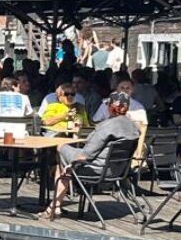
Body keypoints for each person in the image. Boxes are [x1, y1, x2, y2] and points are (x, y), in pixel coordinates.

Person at [44, 92, 139, 220]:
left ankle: (55, 206)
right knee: (65, 159)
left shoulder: (107, 126)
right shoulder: (133, 126)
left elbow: (84, 156)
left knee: (62, 153)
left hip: (96, 170)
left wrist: (62, 147)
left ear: (110, 107)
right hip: (118, 171)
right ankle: (54, 206)